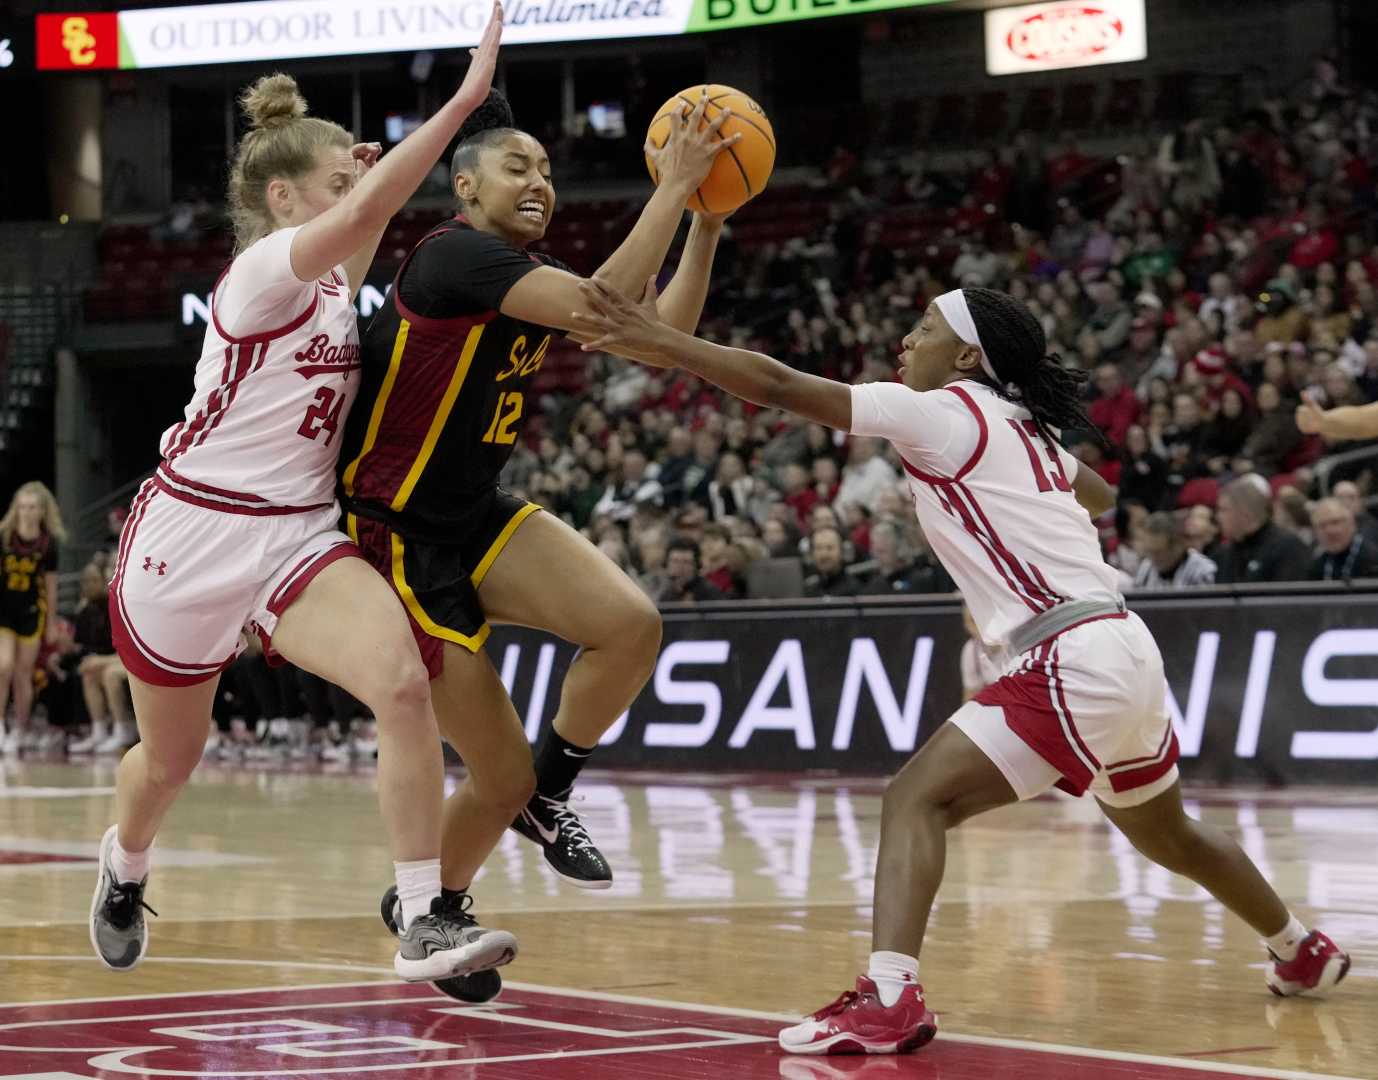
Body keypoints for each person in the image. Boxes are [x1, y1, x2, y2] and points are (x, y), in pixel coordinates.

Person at [572, 280, 1350, 1055]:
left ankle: (888, 997)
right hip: (1124, 647)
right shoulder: (1024, 427)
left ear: (968, 355)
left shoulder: (946, 412)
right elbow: (1104, 495)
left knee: (915, 798)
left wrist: (670, 343)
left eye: (924, 327)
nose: (907, 341)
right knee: (1170, 832)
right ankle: (1298, 947)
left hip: (1070, 654)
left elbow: (778, 385)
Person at [91, 8, 516, 987]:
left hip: (294, 538)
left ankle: (422, 915)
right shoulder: (253, 276)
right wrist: (459, 102)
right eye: (334, 184)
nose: (355, 193)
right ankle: (126, 862)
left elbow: (365, 218)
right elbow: (367, 214)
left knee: (402, 684)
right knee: (168, 764)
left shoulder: (332, 281)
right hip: (189, 535)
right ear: (284, 199)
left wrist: (358, 165)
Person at [336, 85, 735, 978]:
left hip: (474, 514)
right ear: (466, 189)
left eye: (549, 171)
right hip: (397, 536)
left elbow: (659, 335)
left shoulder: (521, 274)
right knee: (495, 773)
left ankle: (545, 795)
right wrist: (672, 187)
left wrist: (706, 223)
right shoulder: (454, 257)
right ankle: (431, 905)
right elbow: (605, 305)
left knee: (631, 627)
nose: (540, 182)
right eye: (518, 166)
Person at [0, 481, 64, 755]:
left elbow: (50, 588)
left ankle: (20, 728)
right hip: (3, 611)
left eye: (33, 507)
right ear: (16, 509)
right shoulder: (4, 535)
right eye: (23, 507)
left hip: (31, 613)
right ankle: (1, 724)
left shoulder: (48, 544)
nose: (27, 512)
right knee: (3, 667)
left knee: (23, 674)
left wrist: (51, 623)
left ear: (42, 511)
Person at [1214, 476, 1312, 584]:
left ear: (1245, 512)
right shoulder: (1224, 554)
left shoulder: (1289, 549)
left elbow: (1289, 597)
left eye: (1223, 510)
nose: (1218, 517)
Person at [1131, 512, 1217, 590]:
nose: (1154, 558)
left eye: (1158, 552)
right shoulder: (1146, 568)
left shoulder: (1202, 570)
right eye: (1150, 552)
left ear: (1177, 546)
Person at [1308, 497, 1378, 580]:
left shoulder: (1373, 560)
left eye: (1335, 522)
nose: (1329, 531)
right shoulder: (1317, 565)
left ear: (1352, 524)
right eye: (1322, 525)